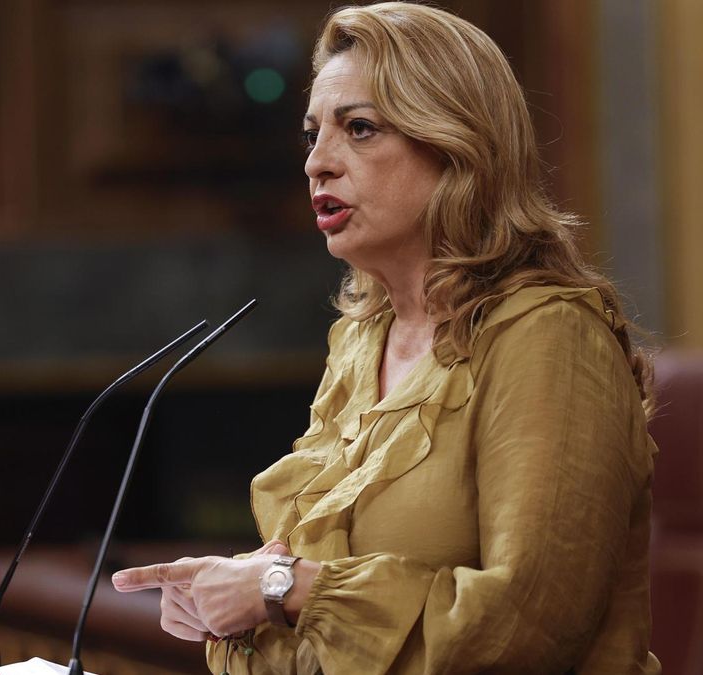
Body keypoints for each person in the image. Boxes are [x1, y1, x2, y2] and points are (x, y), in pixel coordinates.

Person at [112, 2, 660, 673]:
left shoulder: (549, 338)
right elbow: (318, 609)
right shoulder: (360, 339)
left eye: (360, 129)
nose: (318, 163)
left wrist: (286, 588)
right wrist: (238, 590)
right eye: (311, 135)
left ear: (459, 144)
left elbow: (530, 624)